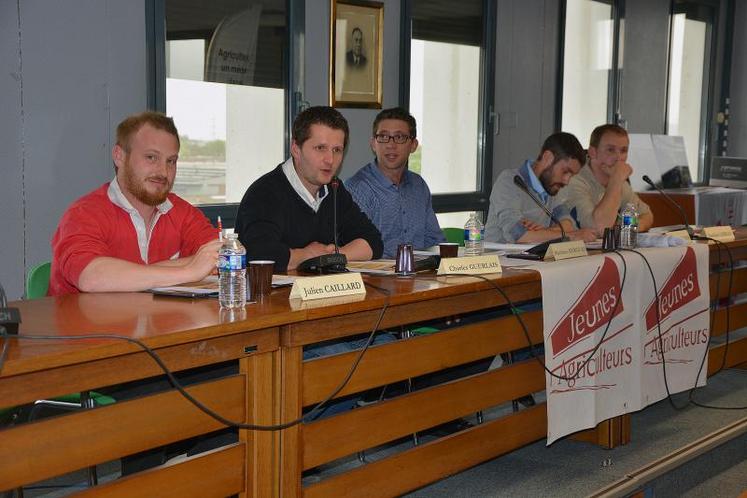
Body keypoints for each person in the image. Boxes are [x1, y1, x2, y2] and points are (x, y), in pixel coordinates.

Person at [50, 111, 222, 296]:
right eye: (151, 157)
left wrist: (138, 274)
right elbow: (92, 278)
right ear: (119, 156)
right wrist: (190, 270)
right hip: (84, 324)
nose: (163, 171)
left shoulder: (183, 213)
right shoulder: (84, 214)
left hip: (158, 323)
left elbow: (222, 259)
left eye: (171, 161)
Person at [235, 105, 383, 273]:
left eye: (337, 150)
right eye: (320, 148)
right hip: (276, 298)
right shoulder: (264, 193)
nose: (330, 160)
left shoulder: (334, 189)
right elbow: (258, 255)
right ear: (296, 149)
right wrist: (306, 255)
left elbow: (373, 242)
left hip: (322, 294)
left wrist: (331, 256)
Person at [346, 107, 445, 258]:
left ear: (413, 145)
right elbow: (352, 253)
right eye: (383, 137)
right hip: (375, 277)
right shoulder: (358, 188)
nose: (391, 145)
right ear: (373, 144)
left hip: (420, 275)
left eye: (399, 138)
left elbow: (434, 240)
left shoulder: (419, 185)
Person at [485, 132, 597, 244]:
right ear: (547, 158)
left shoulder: (551, 188)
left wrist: (542, 232)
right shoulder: (510, 181)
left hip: (531, 259)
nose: (566, 181)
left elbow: (568, 226)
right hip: (497, 260)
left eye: (571, 175)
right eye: (565, 172)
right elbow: (520, 236)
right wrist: (572, 236)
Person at [566, 124, 654, 234]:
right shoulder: (574, 180)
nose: (618, 157)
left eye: (623, 150)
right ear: (592, 152)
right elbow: (600, 228)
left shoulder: (618, 182)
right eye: (610, 150)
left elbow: (646, 215)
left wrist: (627, 227)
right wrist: (616, 180)